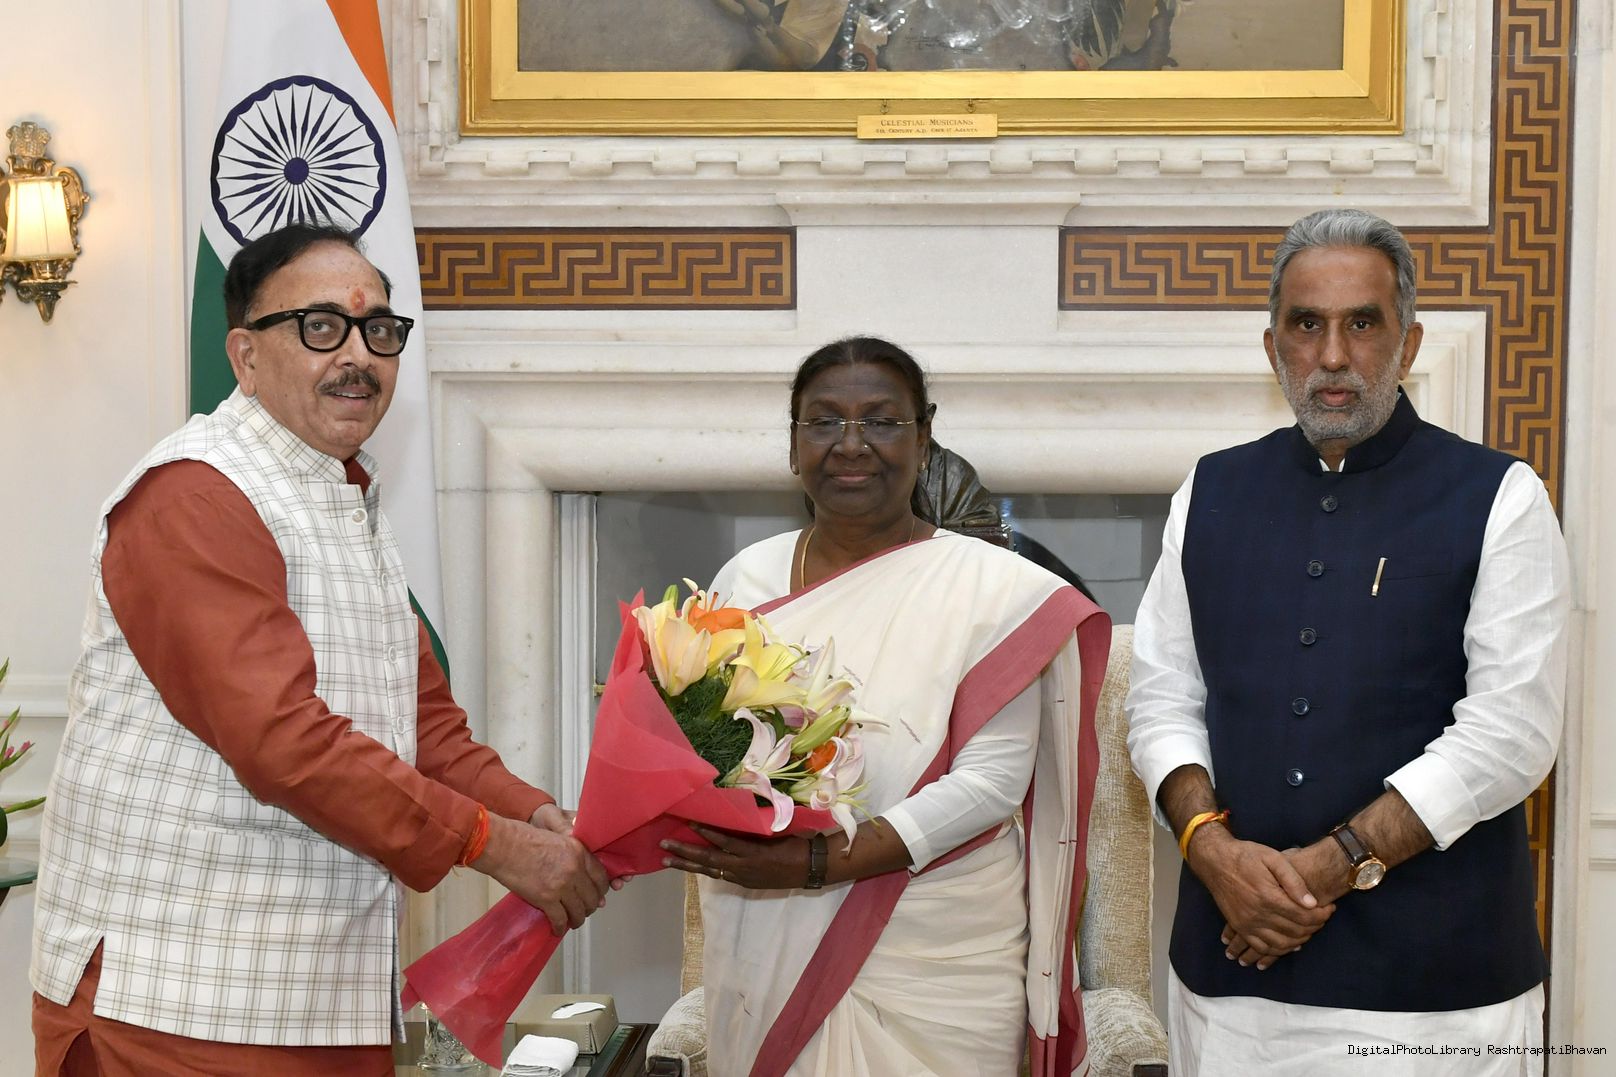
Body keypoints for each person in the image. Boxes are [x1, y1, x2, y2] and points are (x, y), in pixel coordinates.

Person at [30, 223, 611, 1077]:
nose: (358, 356)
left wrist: (535, 816)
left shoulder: (344, 499)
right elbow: (281, 740)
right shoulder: (194, 494)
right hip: (176, 1004)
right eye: (321, 327)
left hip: (319, 999)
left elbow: (427, 732)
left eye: (379, 330)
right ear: (245, 355)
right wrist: (496, 844)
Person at [1127, 208, 1570, 1075]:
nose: (1333, 355)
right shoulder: (1209, 491)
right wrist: (1211, 850)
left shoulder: (1500, 495)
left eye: (1362, 323)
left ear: (1408, 343)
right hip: (1232, 980)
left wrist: (1332, 865)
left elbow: (1512, 733)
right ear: (1273, 348)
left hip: (1437, 1001)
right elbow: (1161, 698)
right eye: (1307, 325)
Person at [657, 336, 1110, 1076]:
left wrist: (816, 861)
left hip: (940, 952)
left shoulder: (996, 589)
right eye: (823, 421)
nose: (851, 444)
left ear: (924, 439)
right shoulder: (745, 579)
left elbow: (992, 781)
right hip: (769, 933)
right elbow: (699, 753)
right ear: (793, 445)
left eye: (882, 421)